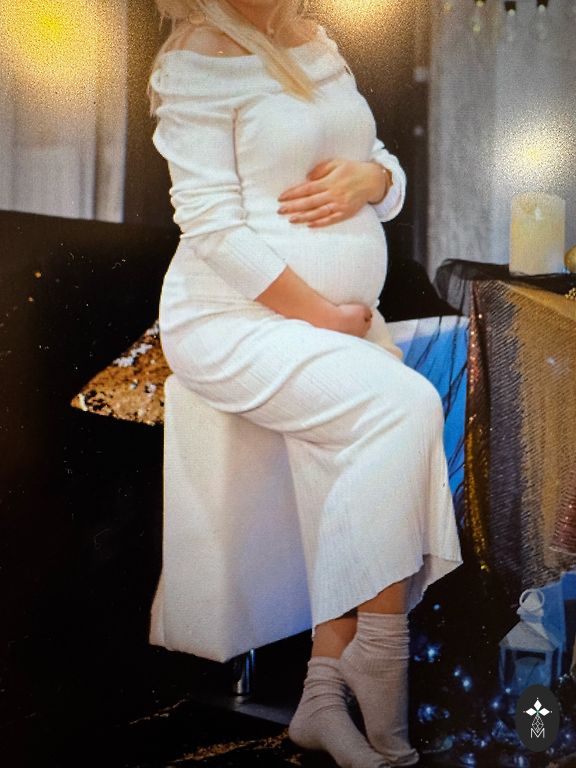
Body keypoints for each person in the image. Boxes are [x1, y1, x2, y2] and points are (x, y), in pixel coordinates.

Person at [147, 2, 463, 766]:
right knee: (405, 402)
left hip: (334, 323)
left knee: (371, 439)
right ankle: (378, 655)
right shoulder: (195, 56)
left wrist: (374, 177)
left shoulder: (317, 40)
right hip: (231, 321)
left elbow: (379, 164)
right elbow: (210, 226)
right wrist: (323, 314)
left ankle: (323, 694)